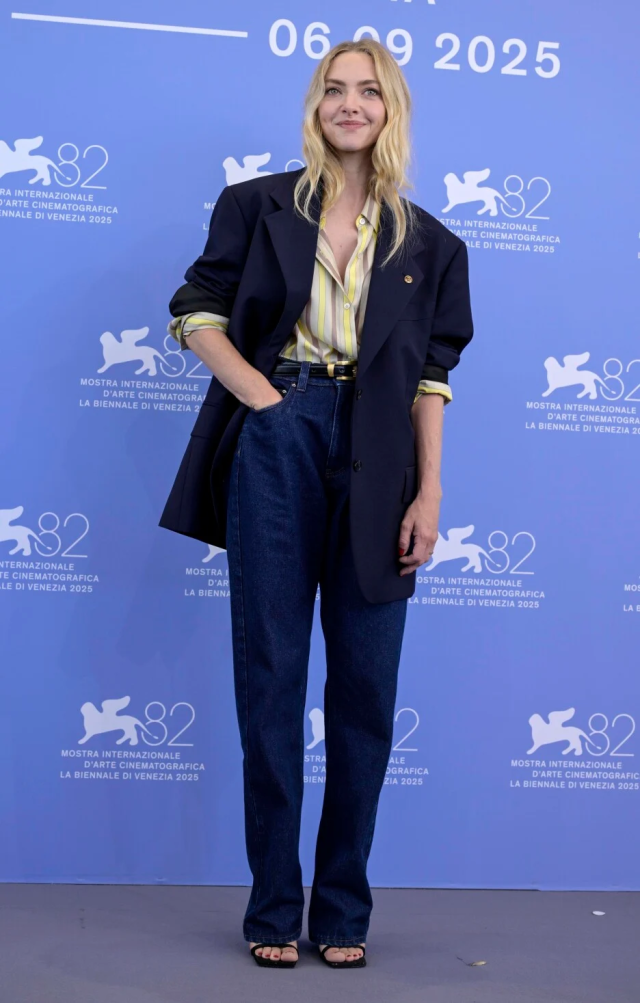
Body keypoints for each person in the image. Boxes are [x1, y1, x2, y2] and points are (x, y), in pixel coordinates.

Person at [160, 39, 473, 969]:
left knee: (367, 692)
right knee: (271, 675)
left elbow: (431, 376)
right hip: (278, 433)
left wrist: (430, 490)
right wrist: (264, 399)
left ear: (391, 109)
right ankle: (272, 908)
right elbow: (194, 310)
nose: (349, 104)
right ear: (315, 105)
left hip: (381, 455)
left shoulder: (432, 243)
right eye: (334, 89)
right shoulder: (256, 206)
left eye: (368, 91)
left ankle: (341, 910)